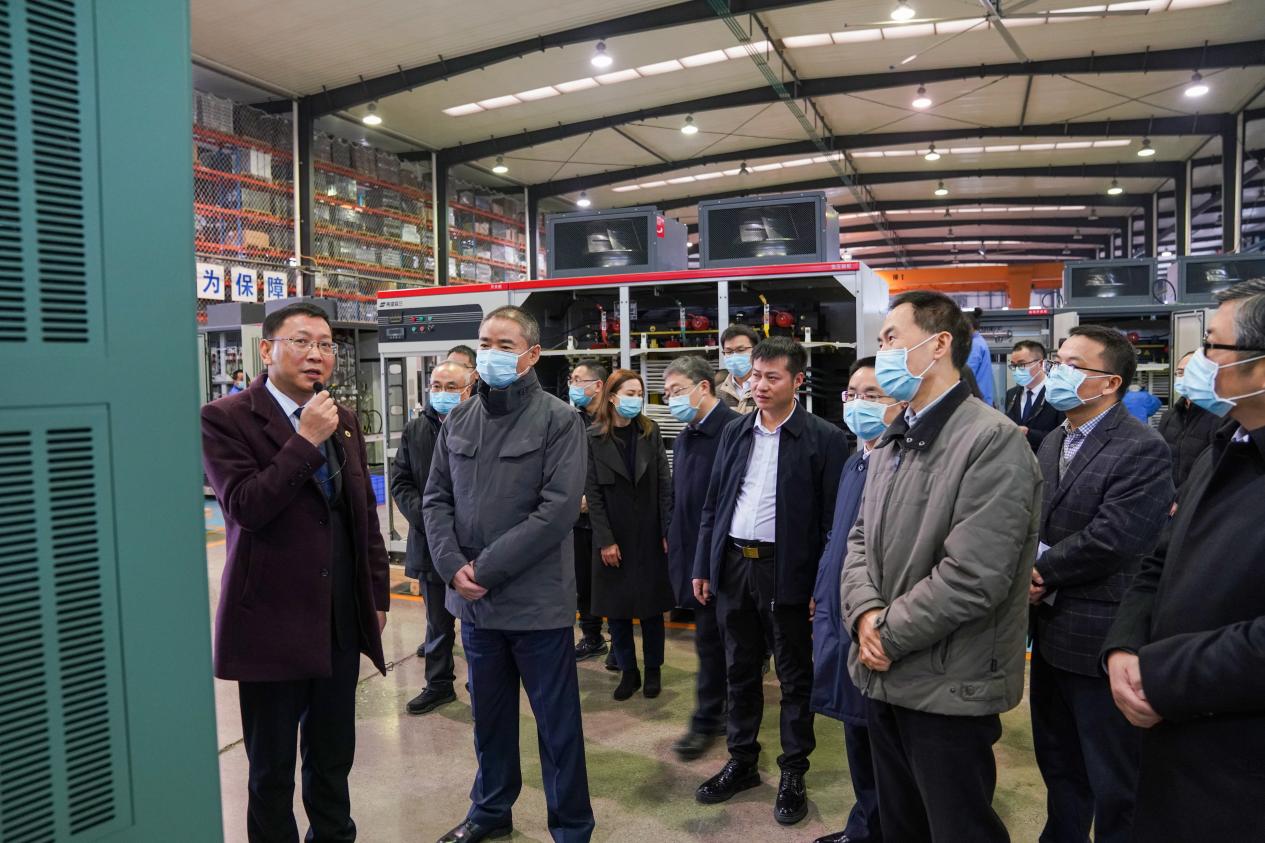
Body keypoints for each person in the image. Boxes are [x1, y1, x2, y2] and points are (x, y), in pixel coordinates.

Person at [841, 291, 1041, 843]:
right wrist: (864, 614)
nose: (881, 351)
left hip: (949, 680)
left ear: (938, 344)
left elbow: (974, 575)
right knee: (900, 823)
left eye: (891, 339)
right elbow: (859, 539)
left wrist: (885, 633)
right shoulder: (893, 438)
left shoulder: (991, 440)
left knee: (956, 827)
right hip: (884, 671)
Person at [201, 302, 390, 841]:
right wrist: (304, 441)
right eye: (302, 342)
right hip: (270, 621)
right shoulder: (225, 418)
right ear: (267, 349)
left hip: (337, 621)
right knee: (271, 769)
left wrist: (375, 596)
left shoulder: (341, 419)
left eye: (326, 345)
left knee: (333, 759)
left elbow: (362, 518)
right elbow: (247, 506)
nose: (317, 355)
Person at [1102, 278, 1265, 842]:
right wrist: (1124, 646)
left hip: (1239, 766)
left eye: (1212, 346)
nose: (1195, 362)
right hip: (1174, 744)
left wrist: (1161, 675)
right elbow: (1159, 561)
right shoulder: (1226, 445)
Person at [423, 306, 593, 843]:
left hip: (536, 605)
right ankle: (491, 810)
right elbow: (435, 499)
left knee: (557, 727)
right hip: (476, 606)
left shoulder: (559, 420)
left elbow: (557, 511)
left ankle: (571, 827)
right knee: (490, 720)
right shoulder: (459, 420)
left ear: (532, 354)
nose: (490, 354)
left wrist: (485, 568)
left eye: (504, 345)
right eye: (484, 343)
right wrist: (452, 567)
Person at [1027, 325, 1174, 843]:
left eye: (1072, 365)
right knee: (1059, 764)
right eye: (1056, 361)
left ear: (1110, 383)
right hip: (1047, 630)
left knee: (1113, 778)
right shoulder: (1054, 439)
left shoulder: (1142, 447)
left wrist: (1041, 573)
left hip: (1099, 633)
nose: (1056, 372)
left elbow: (1116, 538)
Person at [693, 336, 846, 826]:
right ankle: (741, 761)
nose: (759, 385)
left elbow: (833, 523)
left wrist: (821, 587)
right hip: (735, 564)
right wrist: (704, 565)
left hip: (789, 571)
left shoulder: (824, 438)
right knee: (739, 669)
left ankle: (793, 770)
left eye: (771, 377)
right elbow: (714, 504)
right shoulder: (735, 432)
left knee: (794, 677)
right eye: (755, 376)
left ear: (797, 380)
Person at [810, 356, 904, 843]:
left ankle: (877, 828)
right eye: (852, 394)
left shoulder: (900, 463)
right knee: (855, 728)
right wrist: (821, 591)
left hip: (873, 619)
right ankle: (866, 825)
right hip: (839, 609)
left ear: (899, 403)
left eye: (871, 395)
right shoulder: (856, 459)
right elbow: (839, 537)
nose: (857, 404)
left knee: (880, 736)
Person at [663, 355, 739, 760]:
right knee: (709, 642)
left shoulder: (734, 431)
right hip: (693, 556)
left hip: (725, 560)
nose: (671, 400)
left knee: (719, 643)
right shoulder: (685, 436)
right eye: (667, 393)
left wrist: (710, 562)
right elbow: (682, 498)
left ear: (703, 387)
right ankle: (718, 712)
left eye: (676, 390)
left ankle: (709, 718)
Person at [585, 369, 674, 700]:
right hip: (614, 535)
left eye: (639, 394)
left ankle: (653, 670)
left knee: (652, 608)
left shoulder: (650, 431)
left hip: (649, 533)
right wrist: (605, 540)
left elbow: (664, 483)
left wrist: (667, 530)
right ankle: (628, 672)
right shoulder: (593, 437)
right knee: (618, 610)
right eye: (630, 393)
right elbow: (593, 494)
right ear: (612, 397)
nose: (636, 400)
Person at [391, 360, 475, 716]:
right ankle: (439, 685)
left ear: (468, 389)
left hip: (473, 545)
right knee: (438, 625)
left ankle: (483, 685)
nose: (442, 393)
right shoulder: (415, 430)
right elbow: (401, 481)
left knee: (476, 623)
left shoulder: (483, 425)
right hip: (430, 545)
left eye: (451, 387)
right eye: (437, 386)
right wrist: (431, 519)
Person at [569, 360, 613, 665]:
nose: (572, 385)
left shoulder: (615, 421)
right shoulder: (570, 421)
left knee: (613, 582)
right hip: (577, 519)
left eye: (577, 379)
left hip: (608, 518)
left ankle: (620, 641)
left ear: (598, 386)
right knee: (583, 582)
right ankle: (592, 636)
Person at [1158, 349, 1220, 486]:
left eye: (1192, 372)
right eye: (1180, 373)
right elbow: (1159, 459)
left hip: (1200, 496)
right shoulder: (1169, 416)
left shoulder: (1221, 418)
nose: (1185, 377)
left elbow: (1218, 469)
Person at [1004, 340, 1064, 452]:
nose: (1017, 370)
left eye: (1021, 365)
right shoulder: (1011, 394)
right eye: (1013, 365)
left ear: (1040, 364)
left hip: (1045, 457)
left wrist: (1029, 433)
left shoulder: (1057, 394)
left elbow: (1063, 437)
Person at [716, 324, 760, 414]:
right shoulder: (717, 394)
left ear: (756, 351)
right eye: (729, 351)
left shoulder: (766, 389)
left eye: (741, 350)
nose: (734, 356)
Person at [966, 307, 996, 407]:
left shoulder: (973, 345)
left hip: (977, 403)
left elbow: (967, 374)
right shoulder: (979, 341)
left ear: (968, 326)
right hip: (982, 401)